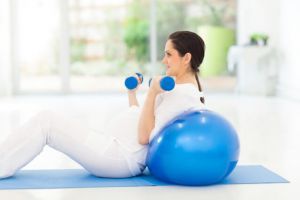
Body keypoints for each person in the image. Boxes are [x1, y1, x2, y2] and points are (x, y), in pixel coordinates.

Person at [0, 31, 205, 179]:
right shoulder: (182, 91)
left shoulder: (183, 95)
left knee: (47, 122)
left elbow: (144, 137)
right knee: (48, 121)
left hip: (118, 157)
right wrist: (132, 94)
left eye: (169, 54)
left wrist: (152, 92)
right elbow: (143, 117)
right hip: (113, 148)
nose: (164, 60)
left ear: (186, 58)